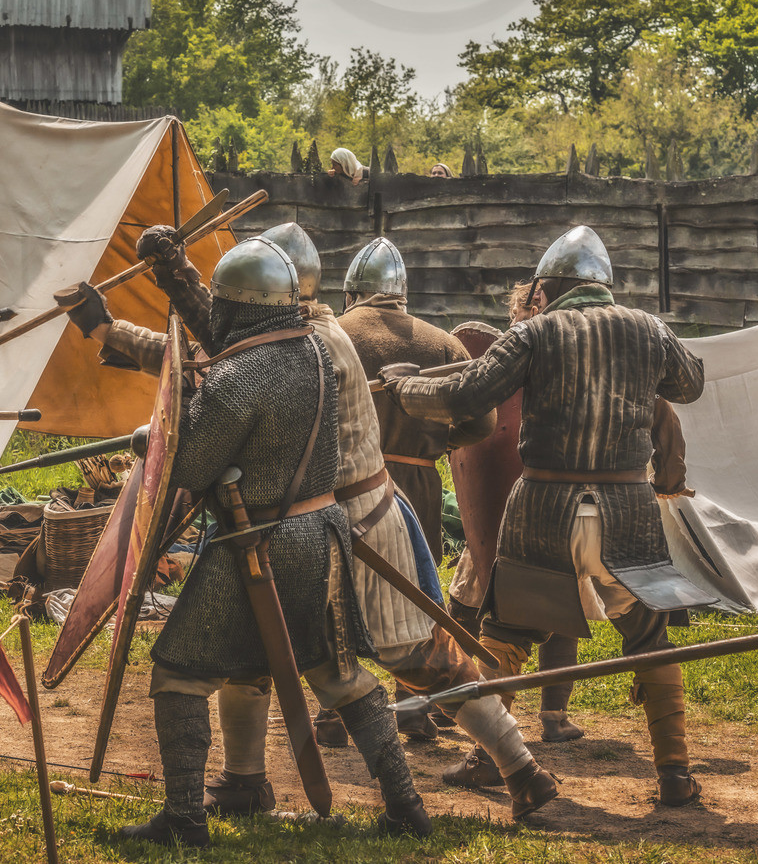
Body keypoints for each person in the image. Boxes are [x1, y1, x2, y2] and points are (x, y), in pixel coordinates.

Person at [100, 222, 556, 823]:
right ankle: (244, 780)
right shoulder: (301, 331)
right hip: (321, 519)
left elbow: (219, 357)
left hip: (354, 522)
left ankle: (518, 767)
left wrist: (142, 307)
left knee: (418, 656)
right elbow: (224, 344)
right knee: (252, 653)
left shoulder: (314, 339)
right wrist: (171, 274)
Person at [88, 236, 428, 846]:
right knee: (338, 673)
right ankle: (406, 806)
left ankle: (184, 820)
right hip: (323, 535)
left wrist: (153, 437)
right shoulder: (315, 352)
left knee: (178, 671)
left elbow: (189, 466)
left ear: (234, 305)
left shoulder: (242, 375)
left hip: (258, 543)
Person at [382, 225, 710, 807]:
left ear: (544, 290)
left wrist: (405, 387)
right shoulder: (649, 329)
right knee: (650, 637)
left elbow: (466, 396)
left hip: (544, 508)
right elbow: (691, 385)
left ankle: (491, 759)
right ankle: (675, 774)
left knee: (506, 634)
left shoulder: (534, 332)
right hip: (626, 510)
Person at [338, 237, 496, 563]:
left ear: (351, 295)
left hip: (346, 490)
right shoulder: (443, 344)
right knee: (415, 587)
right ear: (402, 298)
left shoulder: (332, 335)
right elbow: (483, 422)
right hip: (417, 493)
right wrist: (438, 439)